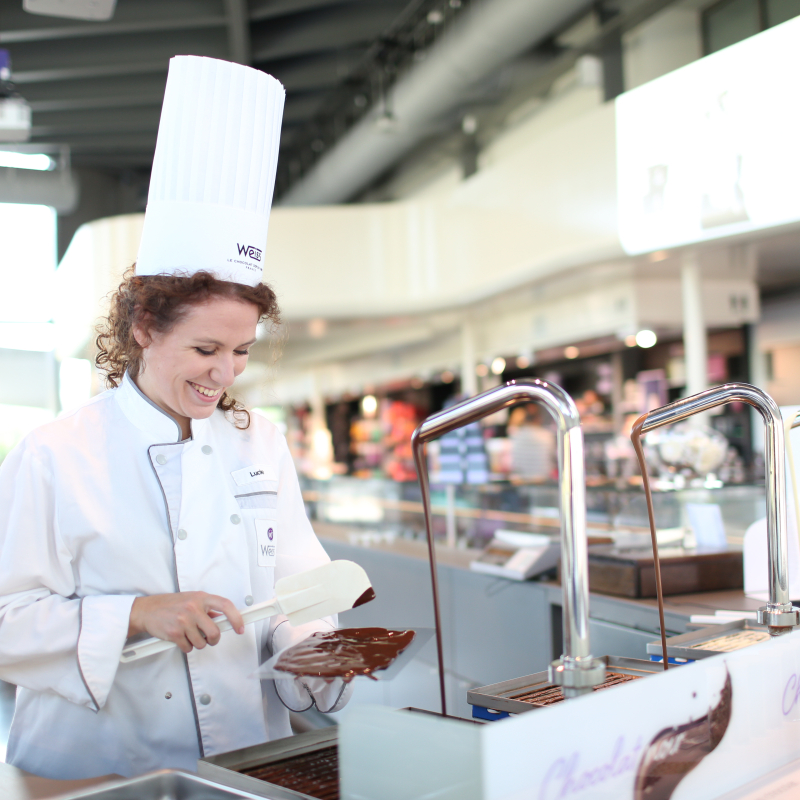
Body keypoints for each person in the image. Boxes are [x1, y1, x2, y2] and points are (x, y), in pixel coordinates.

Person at [0, 56, 350, 780]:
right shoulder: (57, 451)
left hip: (251, 757)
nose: (224, 375)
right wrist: (136, 612)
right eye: (205, 348)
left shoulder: (260, 441)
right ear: (144, 329)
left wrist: (315, 649)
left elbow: (302, 588)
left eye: (242, 351)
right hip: (99, 767)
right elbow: (7, 620)